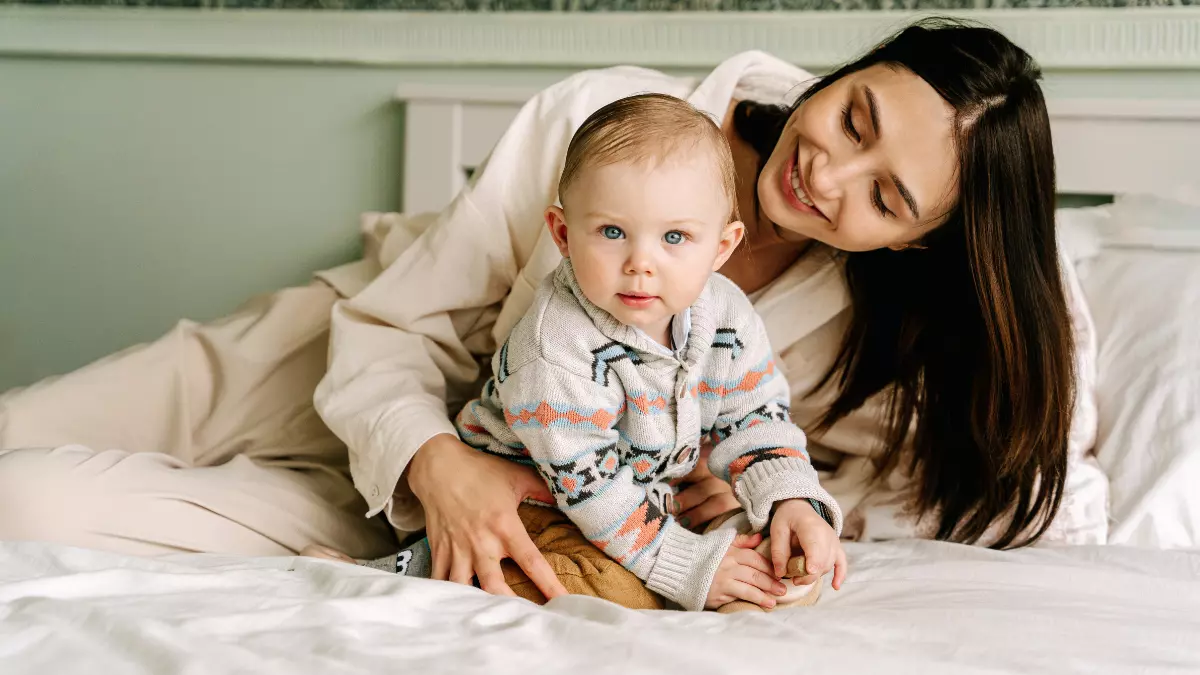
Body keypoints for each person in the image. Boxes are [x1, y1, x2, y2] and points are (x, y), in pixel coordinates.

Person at [0, 19, 1108, 603]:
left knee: (24, 508)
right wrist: (439, 462)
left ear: (919, 239)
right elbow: (394, 331)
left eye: (888, 196)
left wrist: (766, 495)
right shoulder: (605, 113)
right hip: (334, 364)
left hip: (452, 509)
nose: (832, 174)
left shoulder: (855, 322)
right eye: (856, 117)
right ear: (850, 71)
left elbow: (985, 471)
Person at [308, 93, 846, 612]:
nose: (641, 262)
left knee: (767, 553)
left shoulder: (726, 316)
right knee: (618, 590)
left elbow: (757, 418)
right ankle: (384, 574)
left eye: (675, 238)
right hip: (530, 502)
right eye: (612, 231)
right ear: (563, 234)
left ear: (721, 247)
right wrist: (688, 565)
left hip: (639, 495)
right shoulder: (557, 345)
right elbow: (594, 491)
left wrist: (790, 500)